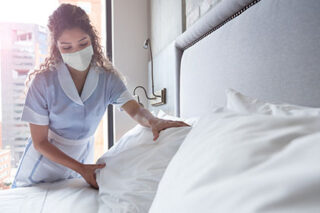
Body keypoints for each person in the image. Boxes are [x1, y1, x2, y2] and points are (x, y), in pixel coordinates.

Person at [12, 3, 189, 189]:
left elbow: (135, 109)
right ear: (56, 47)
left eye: (83, 43)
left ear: (93, 40)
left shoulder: (107, 79)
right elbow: (40, 142)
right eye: (67, 47)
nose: (77, 52)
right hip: (42, 167)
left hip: (80, 164)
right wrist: (80, 168)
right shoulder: (43, 82)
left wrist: (153, 121)